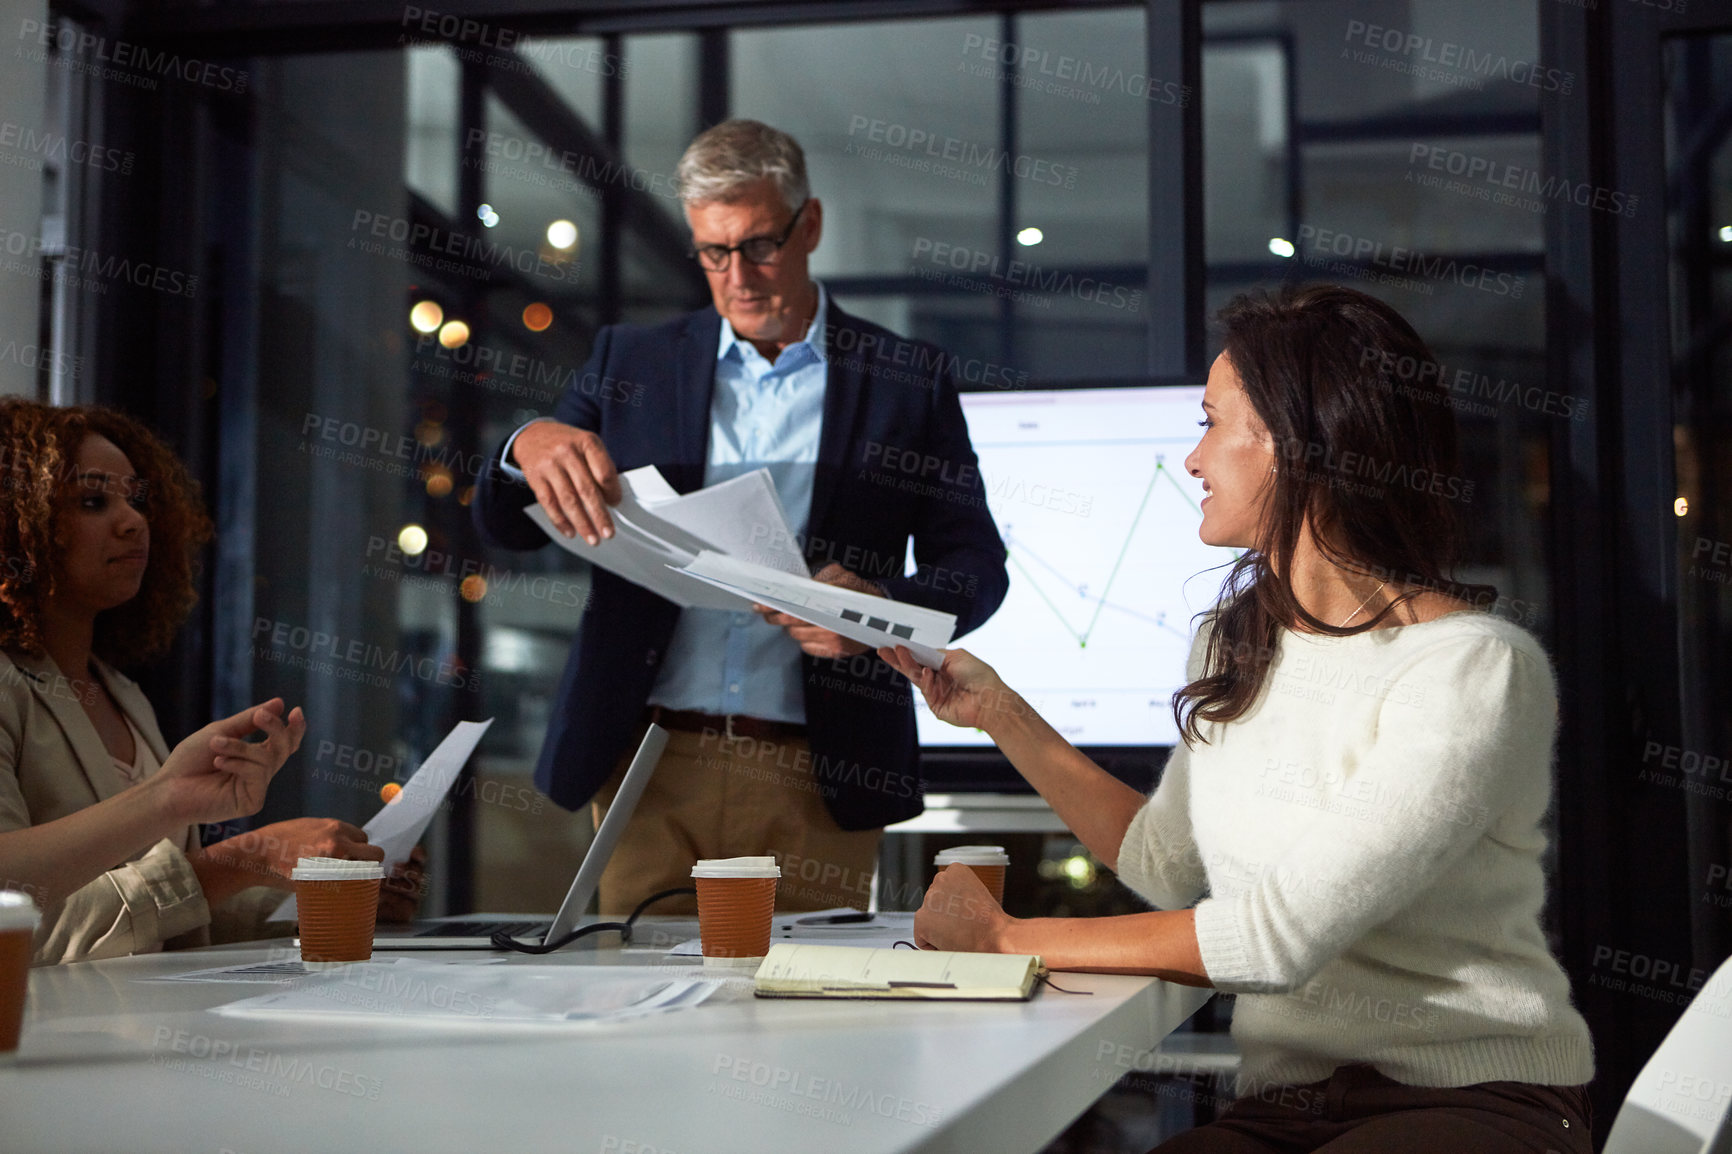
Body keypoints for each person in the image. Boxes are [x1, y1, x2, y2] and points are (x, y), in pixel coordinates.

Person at [881, 285, 1595, 1154]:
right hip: (1286, 1108)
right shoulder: (1236, 642)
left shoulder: (1472, 668)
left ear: (1300, 444)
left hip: (1471, 1098)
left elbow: (1275, 937)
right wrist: (1000, 713)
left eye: (1212, 422)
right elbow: (1163, 859)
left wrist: (1001, 937)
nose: (1191, 459)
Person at [474, 119, 1008, 914]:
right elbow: (511, 527)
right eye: (713, 252)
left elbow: (976, 568)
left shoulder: (905, 379)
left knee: (805, 1022)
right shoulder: (631, 363)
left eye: (759, 245)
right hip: (647, 759)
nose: (738, 277)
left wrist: (879, 612)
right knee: (639, 1014)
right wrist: (525, 443)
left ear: (811, 225)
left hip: (819, 771)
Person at [0, 399, 421, 964]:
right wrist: (238, 855)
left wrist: (324, 892)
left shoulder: (123, 695)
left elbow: (176, 923)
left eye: (136, 499)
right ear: (14, 522)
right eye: (94, 501)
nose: (133, 521)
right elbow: (27, 933)